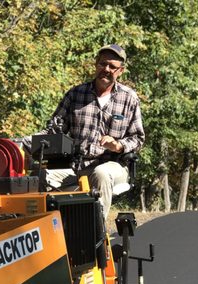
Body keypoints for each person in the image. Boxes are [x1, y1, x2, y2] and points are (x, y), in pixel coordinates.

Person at [46, 44, 145, 219]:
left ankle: (95, 233)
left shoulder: (129, 98)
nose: (106, 69)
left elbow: (138, 138)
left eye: (112, 67)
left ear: (120, 71)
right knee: (40, 177)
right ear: (96, 65)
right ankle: (52, 233)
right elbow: (53, 130)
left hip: (113, 165)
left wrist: (118, 145)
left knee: (101, 173)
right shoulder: (75, 94)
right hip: (76, 166)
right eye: (102, 64)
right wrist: (25, 145)